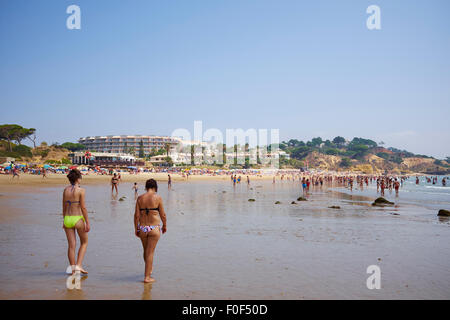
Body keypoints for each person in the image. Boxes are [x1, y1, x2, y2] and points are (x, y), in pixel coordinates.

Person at [134, 179, 167, 283]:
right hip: (153, 228)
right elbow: (163, 215)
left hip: (143, 228)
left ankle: (149, 269)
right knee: (150, 252)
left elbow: (136, 216)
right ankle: (147, 277)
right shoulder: (158, 198)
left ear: (146, 187)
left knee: (146, 251)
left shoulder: (140, 198)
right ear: (155, 187)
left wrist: (136, 228)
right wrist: (164, 225)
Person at [62, 169, 90, 275]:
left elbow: (63, 207)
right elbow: (83, 207)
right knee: (84, 242)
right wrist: (87, 222)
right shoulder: (81, 190)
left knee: (71, 245)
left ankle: (73, 270)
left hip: (67, 219)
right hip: (77, 218)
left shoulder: (65, 190)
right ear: (78, 179)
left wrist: (64, 220)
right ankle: (79, 265)